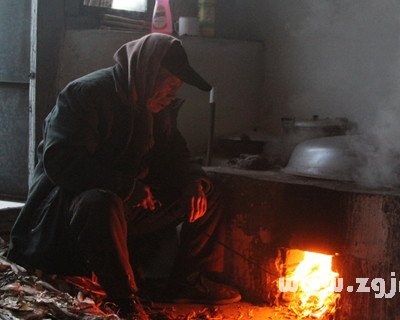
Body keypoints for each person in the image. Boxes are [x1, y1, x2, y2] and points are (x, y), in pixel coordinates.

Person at [7, 33, 241, 320]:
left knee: (208, 191)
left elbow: (176, 156)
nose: (171, 96)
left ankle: (186, 280)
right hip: (66, 214)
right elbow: (62, 162)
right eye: (169, 86)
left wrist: (194, 182)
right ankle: (125, 300)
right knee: (99, 202)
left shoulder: (154, 107)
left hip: (127, 206)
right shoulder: (85, 94)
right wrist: (127, 188)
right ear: (148, 74)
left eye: (176, 89)